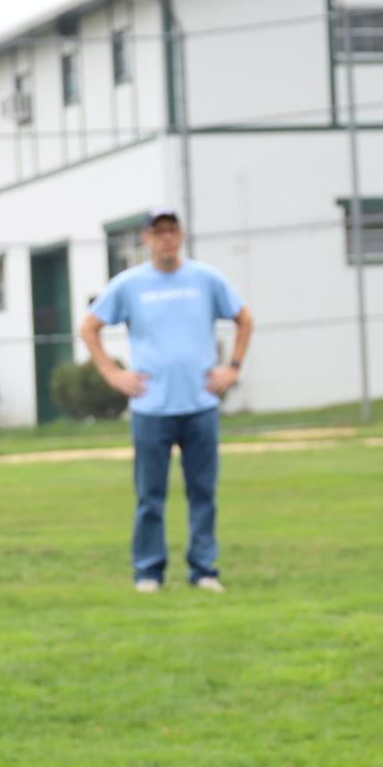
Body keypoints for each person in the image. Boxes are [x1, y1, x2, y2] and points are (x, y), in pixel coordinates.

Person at [78, 206, 255, 593]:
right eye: (158, 232)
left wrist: (233, 367)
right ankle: (148, 572)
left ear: (181, 235)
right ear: (146, 239)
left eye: (172, 230)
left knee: (203, 492)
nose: (166, 238)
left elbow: (243, 318)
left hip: (200, 405)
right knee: (150, 496)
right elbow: (90, 327)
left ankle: (204, 570)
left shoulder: (205, 279)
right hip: (151, 409)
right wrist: (113, 373)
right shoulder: (129, 284)